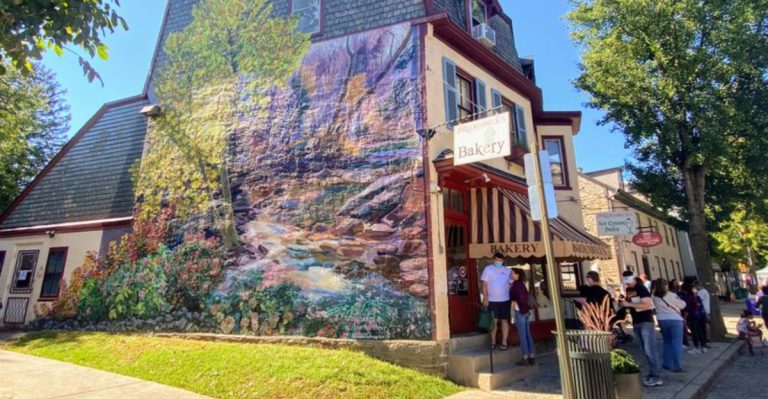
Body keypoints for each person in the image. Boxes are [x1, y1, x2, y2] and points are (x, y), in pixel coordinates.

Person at [620, 270, 662, 387]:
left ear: (633, 278)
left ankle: (656, 376)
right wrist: (625, 303)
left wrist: (629, 305)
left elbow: (647, 304)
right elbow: (633, 304)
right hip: (636, 321)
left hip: (646, 322)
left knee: (650, 349)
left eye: (628, 280)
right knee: (645, 349)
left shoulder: (641, 288)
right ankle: (652, 374)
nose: (626, 283)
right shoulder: (629, 290)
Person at [651, 278, 686, 373]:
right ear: (666, 285)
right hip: (675, 319)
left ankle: (667, 363)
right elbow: (683, 305)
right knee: (677, 343)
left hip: (662, 320)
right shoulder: (672, 295)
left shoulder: (654, 297)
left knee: (667, 341)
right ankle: (677, 365)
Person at [481, 252, 512, 350]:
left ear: (503, 260)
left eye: (500, 260)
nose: (498, 262)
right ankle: (493, 342)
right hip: (492, 300)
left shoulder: (507, 271)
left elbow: (511, 284)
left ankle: (504, 342)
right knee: (493, 322)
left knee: (504, 321)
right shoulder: (488, 269)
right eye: (496, 260)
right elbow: (484, 285)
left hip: (505, 300)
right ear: (494, 260)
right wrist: (485, 298)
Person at [510, 267, 535, 366]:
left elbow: (514, 300)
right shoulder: (523, 285)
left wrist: (512, 314)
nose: (511, 275)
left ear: (517, 275)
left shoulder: (515, 285)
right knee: (528, 334)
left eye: (512, 273)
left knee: (522, 335)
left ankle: (525, 357)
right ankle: (531, 356)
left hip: (519, 311)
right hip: (526, 311)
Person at [679, 282, 706, 354]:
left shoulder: (686, 297)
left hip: (690, 315)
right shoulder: (693, 296)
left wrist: (684, 318)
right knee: (699, 330)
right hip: (696, 314)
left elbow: (686, 309)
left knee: (694, 332)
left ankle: (696, 347)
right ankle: (703, 346)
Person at [694, 281, 711, 348]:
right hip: (705, 310)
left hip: (703, 310)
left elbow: (699, 300)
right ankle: (707, 337)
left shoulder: (701, 292)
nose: (695, 288)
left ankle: (706, 338)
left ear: (698, 285)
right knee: (706, 324)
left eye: (696, 286)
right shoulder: (705, 291)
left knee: (704, 325)